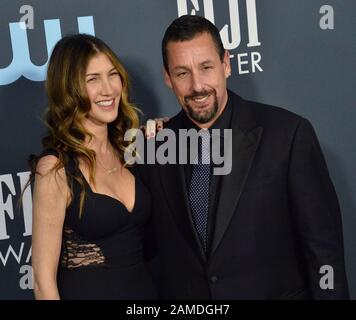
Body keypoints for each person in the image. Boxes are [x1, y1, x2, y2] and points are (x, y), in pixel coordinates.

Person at [137, 15, 349, 299]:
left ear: (226, 64)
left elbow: (324, 251)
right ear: (167, 77)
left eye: (206, 67)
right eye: (182, 73)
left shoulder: (287, 134)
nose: (197, 86)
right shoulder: (152, 146)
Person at [31, 34, 157, 300]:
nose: (108, 89)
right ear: (68, 90)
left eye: (112, 74)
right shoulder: (55, 169)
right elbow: (43, 284)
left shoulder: (130, 150)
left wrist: (169, 129)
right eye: (92, 79)